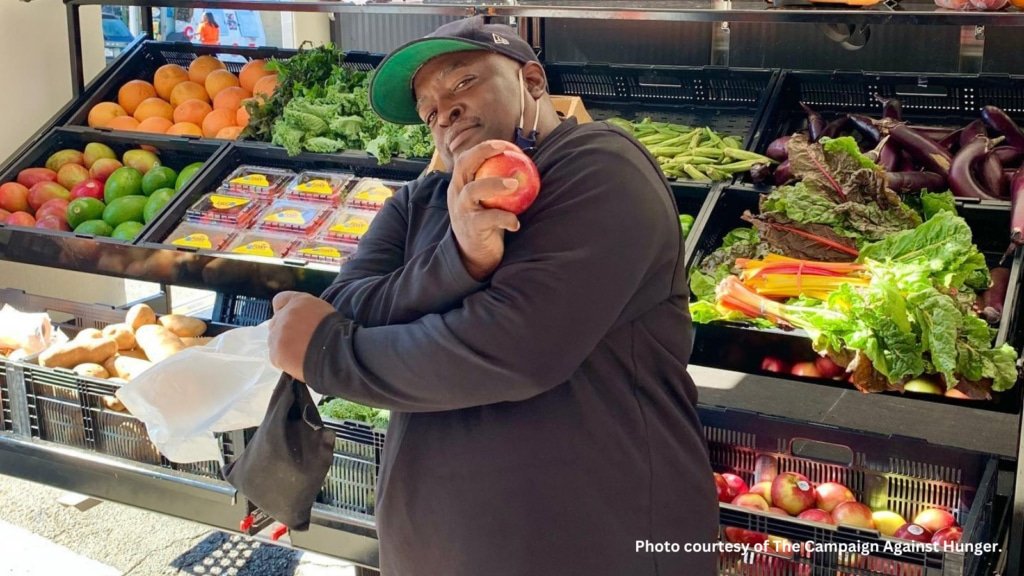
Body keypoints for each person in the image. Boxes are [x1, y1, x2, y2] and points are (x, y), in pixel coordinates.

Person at [267, 15, 718, 576]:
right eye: (430, 110)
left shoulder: (599, 166)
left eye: (462, 83)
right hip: (434, 545)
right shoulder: (417, 203)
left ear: (531, 81)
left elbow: (512, 348)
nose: (445, 112)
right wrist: (457, 261)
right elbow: (347, 303)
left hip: (595, 540)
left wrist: (331, 355)